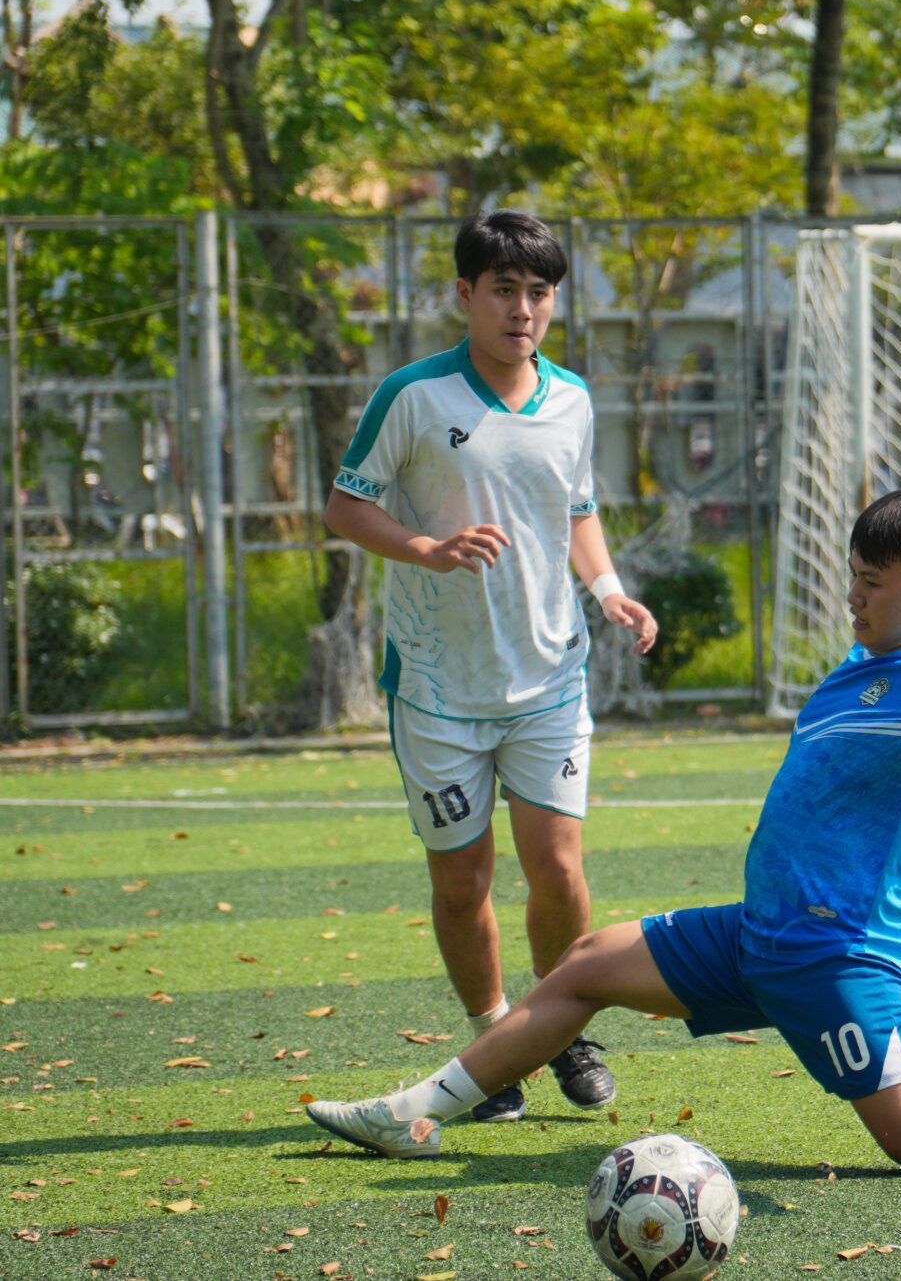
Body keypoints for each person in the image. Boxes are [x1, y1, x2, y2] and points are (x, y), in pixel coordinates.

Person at [306, 487, 901, 1174]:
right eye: (853, 573)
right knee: (582, 964)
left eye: (873, 582)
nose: (852, 594)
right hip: (757, 934)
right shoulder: (865, 663)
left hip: (835, 956)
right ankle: (412, 1116)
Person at [322, 210, 659, 1123]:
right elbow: (345, 506)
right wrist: (425, 548)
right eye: (504, 290)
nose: (523, 310)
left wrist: (609, 590)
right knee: (462, 881)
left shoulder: (572, 398)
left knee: (558, 866)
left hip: (549, 677)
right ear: (464, 294)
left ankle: (563, 1028)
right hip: (439, 689)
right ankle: (493, 1040)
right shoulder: (413, 395)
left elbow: (576, 508)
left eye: (539, 292)